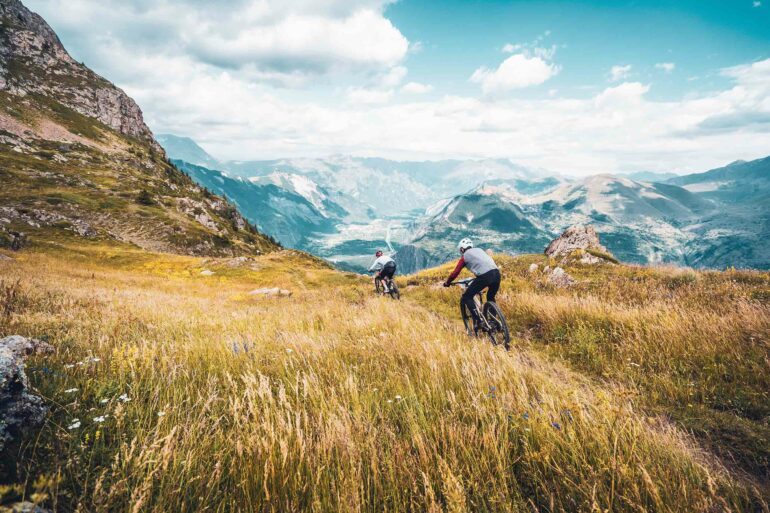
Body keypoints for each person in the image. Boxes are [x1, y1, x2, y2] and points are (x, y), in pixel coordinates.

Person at [443, 238, 501, 331]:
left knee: (467, 297)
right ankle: (494, 321)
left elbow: (455, 273)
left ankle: (479, 321)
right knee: (490, 296)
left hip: (485, 276)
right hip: (497, 274)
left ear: (462, 249)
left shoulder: (464, 257)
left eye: (460, 250)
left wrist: (447, 282)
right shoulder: (480, 250)